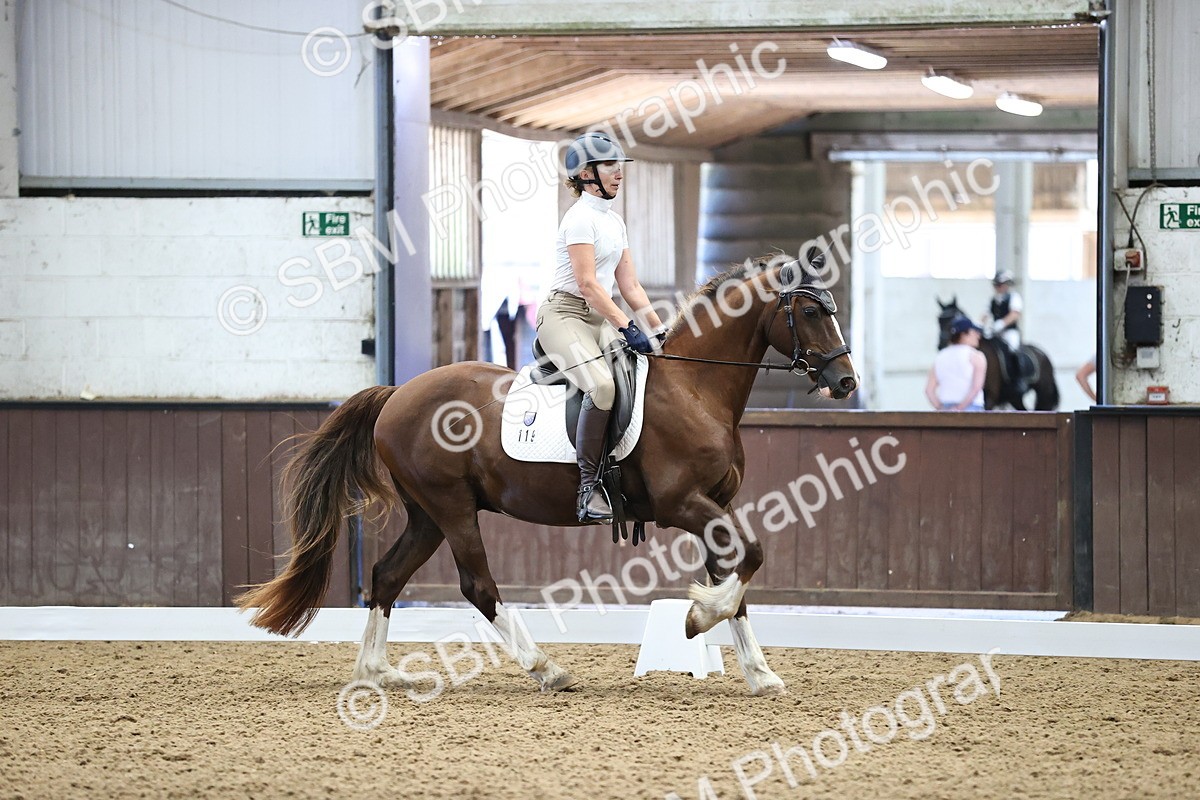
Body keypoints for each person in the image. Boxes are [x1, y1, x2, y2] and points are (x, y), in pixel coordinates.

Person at [536, 132, 666, 524]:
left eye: (619, 166)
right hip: (564, 315)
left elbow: (630, 286)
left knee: (644, 374)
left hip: (598, 318)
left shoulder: (614, 221)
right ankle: (587, 488)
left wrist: (660, 331)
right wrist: (628, 327)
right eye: (610, 166)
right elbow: (589, 286)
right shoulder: (579, 219)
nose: (619, 173)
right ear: (585, 174)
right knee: (602, 387)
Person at [926, 317, 986, 411]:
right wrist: (959, 408)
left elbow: (929, 390)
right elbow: (976, 387)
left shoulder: (940, 357)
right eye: (974, 332)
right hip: (971, 407)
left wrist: (941, 408)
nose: (978, 335)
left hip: (946, 407)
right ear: (964, 335)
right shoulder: (976, 356)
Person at [984, 270, 1026, 396]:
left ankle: (1018, 380)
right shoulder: (992, 300)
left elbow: (1014, 314)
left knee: (1013, 350)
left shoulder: (1014, 297)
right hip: (995, 333)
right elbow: (985, 314)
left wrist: (1001, 324)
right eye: (996, 285)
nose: (998, 287)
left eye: (1000, 284)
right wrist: (980, 324)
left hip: (1009, 332)